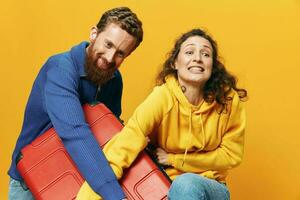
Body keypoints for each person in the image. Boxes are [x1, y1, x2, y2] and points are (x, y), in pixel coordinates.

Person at [77, 28, 247, 200]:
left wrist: (175, 160)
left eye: (205, 54)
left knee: (185, 185)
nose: (197, 58)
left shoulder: (227, 100)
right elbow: (124, 145)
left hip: (212, 186)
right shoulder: (162, 98)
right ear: (175, 63)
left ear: (213, 66)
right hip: (162, 186)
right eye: (189, 52)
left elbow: (230, 156)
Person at [8, 7, 143, 200]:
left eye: (120, 53)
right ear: (94, 33)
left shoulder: (113, 79)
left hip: (78, 183)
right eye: (108, 44)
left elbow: (110, 133)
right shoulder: (61, 69)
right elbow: (75, 132)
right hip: (33, 185)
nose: (110, 57)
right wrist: (116, 196)